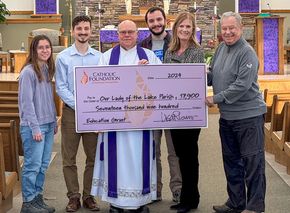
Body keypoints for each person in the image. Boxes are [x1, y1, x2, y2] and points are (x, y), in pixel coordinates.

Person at [91, 20, 161, 213]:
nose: (127, 35)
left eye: (131, 32)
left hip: (141, 124)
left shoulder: (149, 57)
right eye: (123, 32)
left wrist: (148, 74)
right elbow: (95, 89)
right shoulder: (106, 58)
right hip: (115, 125)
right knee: (117, 161)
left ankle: (140, 201)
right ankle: (116, 204)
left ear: (137, 34)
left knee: (140, 159)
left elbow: (162, 84)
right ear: (117, 35)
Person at [206, 11, 266, 213]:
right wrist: (192, 75)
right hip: (227, 118)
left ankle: (255, 207)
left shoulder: (247, 52)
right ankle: (236, 202)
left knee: (252, 163)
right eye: (224, 28)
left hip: (248, 117)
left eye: (232, 28)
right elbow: (213, 74)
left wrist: (215, 98)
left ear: (241, 29)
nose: (228, 32)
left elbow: (242, 85)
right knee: (231, 163)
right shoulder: (221, 48)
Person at [55, 15, 102, 212]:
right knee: (69, 158)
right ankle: (73, 196)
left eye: (86, 29)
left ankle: (88, 196)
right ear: (73, 31)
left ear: (91, 31)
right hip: (71, 113)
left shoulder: (100, 57)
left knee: (93, 157)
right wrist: (80, 104)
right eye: (79, 29)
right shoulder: (63, 57)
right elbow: (60, 87)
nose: (83, 32)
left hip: (93, 114)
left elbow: (104, 84)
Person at [140, 6, 182, 202]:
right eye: (152, 21)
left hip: (171, 104)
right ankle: (155, 190)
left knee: (174, 151)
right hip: (150, 106)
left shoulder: (177, 42)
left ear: (166, 20)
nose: (156, 24)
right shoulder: (142, 46)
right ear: (147, 23)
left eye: (159, 19)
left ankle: (178, 189)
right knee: (152, 151)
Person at [163, 12, 204, 213]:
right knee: (179, 155)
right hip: (172, 112)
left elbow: (193, 81)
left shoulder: (196, 51)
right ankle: (185, 197)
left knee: (190, 156)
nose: (185, 30)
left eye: (188, 27)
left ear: (193, 29)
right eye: (182, 27)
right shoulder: (170, 51)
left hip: (190, 111)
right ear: (176, 29)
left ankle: (191, 198)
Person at [19, 35, 58, 213]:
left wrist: (53, 121)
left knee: (42, 165)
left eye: (47, 47)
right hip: (33, 126)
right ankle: (27, 203)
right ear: (34, 51)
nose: (45, 50)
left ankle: (37, 198)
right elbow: (27, 103)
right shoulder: (28, 72)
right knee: (32, 166)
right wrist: (35, 127)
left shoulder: (46, 69)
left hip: (47, 124)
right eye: (40, 47)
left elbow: (47, 99)